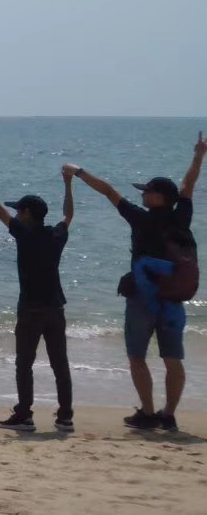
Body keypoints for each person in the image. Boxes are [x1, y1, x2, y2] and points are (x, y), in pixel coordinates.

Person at [68, 131, 204, 432]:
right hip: (174, 301)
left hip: (143, 299)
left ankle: (148, 412)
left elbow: (108, 191)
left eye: (147, 191)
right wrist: (199, 155)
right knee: (173, 359)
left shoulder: (141, 219)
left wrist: (78, 172)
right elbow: (188, 185)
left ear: (159, 197)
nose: (143, 195)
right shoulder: (182, 216)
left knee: (137, 356)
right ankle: (168, 415)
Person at [0, 157, 76, 432]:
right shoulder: (56, 235)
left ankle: (24, 414)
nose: (15, 215)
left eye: (18, 211)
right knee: (60, 365)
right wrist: (68, 183)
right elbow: (68, 215)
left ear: (26, 214)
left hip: (30, 309)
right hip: (55, 308)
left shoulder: (23, 234)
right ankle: (65, 416)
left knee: (24, 364)